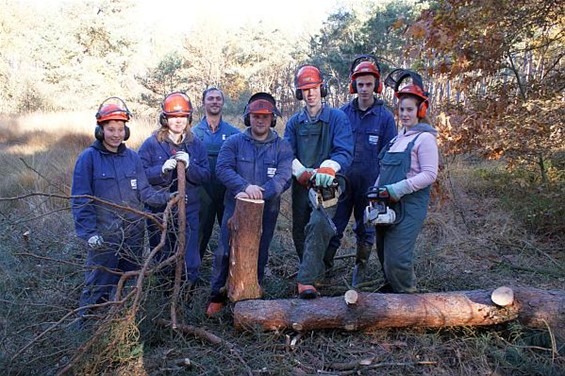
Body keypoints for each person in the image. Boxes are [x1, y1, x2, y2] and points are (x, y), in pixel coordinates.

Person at [71, 97, 173, 319]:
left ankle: (121, 326)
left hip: (134, 236)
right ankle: (86, 328)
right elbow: (80, 199)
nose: (116, 134)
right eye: (111, 129)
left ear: (125, 131)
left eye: (120, 129)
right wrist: (89, 234)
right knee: (98, 284)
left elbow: (145, 193)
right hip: (105, 237)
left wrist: (170, 197)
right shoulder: (88, 159)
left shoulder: (133, 158)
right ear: (101, 130)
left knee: (129, 283)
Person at [206, 92, 293, 316]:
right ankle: (217, 294)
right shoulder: (234, 142)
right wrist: (244, 187)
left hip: (267, 208)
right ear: (248, 117)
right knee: (224, 251)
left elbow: (284, 177)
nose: (260, 120)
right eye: (256, 116)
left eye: (265, 116)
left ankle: (252, 293)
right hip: (234, 206)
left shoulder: (282, 147)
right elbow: (222, 169)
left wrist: (264, 192)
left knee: (259, 251)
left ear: (272, 119)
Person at [326, 56, 397, 287]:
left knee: (366, 229)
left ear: (376, 86)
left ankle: (361, 270)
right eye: (360, 84)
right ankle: (324, 267)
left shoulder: (385, 117)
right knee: (333, 226)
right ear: (354, 86)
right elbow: (333, 146)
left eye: (368, 84)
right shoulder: (342, 113)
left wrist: (380, 186)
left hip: (370, 184)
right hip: (343, 182)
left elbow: (389, 155)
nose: (364, 89)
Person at [284, 64, 353, 299]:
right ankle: (316, 269)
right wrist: (300, 171)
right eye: (305, 89)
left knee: (318, 224)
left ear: (321, 89)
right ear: (299, 93)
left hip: (328, 184)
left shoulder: (337, 118)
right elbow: (286, 153)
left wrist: (329, 167)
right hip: (301, 183)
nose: (310, 93)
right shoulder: (294, 123)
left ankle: (306, 280)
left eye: (314, 88)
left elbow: (344, 151)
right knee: (299, 230)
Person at [138, 92, 210, 291]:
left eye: (183, 116)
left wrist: (190, 167)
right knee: (163, 254)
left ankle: (187, 295)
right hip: (159, 209)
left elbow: (205, 175)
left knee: (190, 256)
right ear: (165, 118)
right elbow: (139, 175)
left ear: (189, 118)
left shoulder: (196, 144)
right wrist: (160, 170)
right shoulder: (151, 144)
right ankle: (164, 296)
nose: (178, 121)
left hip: (189, 209)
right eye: (173, 116)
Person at [372, 82, 438, 293]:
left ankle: (409, 299)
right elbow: (383, 171)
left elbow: (429, 174)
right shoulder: (396, 139)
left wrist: (398, 189)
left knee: (397, 258)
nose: (405, 114)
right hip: (386, 204)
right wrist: (375, 192)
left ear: (420, 110)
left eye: (409, 109)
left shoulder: (425, 138)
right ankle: (392, 295)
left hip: (409, 205)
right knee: (383, 253)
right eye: (401, 109)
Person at [192, 87, 240, 260]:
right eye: (210, 98)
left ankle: (231, 278)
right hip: (202, 192)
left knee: (231, 234)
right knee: (198, 235)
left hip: (227, 191)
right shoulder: (193, 134)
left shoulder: (234, 133)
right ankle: (191, 279)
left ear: (223, 102)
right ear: (203, 102)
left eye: (218, 98)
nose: (214, 101)